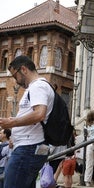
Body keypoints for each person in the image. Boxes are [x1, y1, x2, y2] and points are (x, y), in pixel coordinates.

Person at [0, 55, 54, 188]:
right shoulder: (37, 87)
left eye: (15, 76)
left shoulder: (38, 86)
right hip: (28, 147)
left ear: (23, 69)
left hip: (28, 148)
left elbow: (39, 114)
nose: (16, 81)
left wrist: (12, 123)